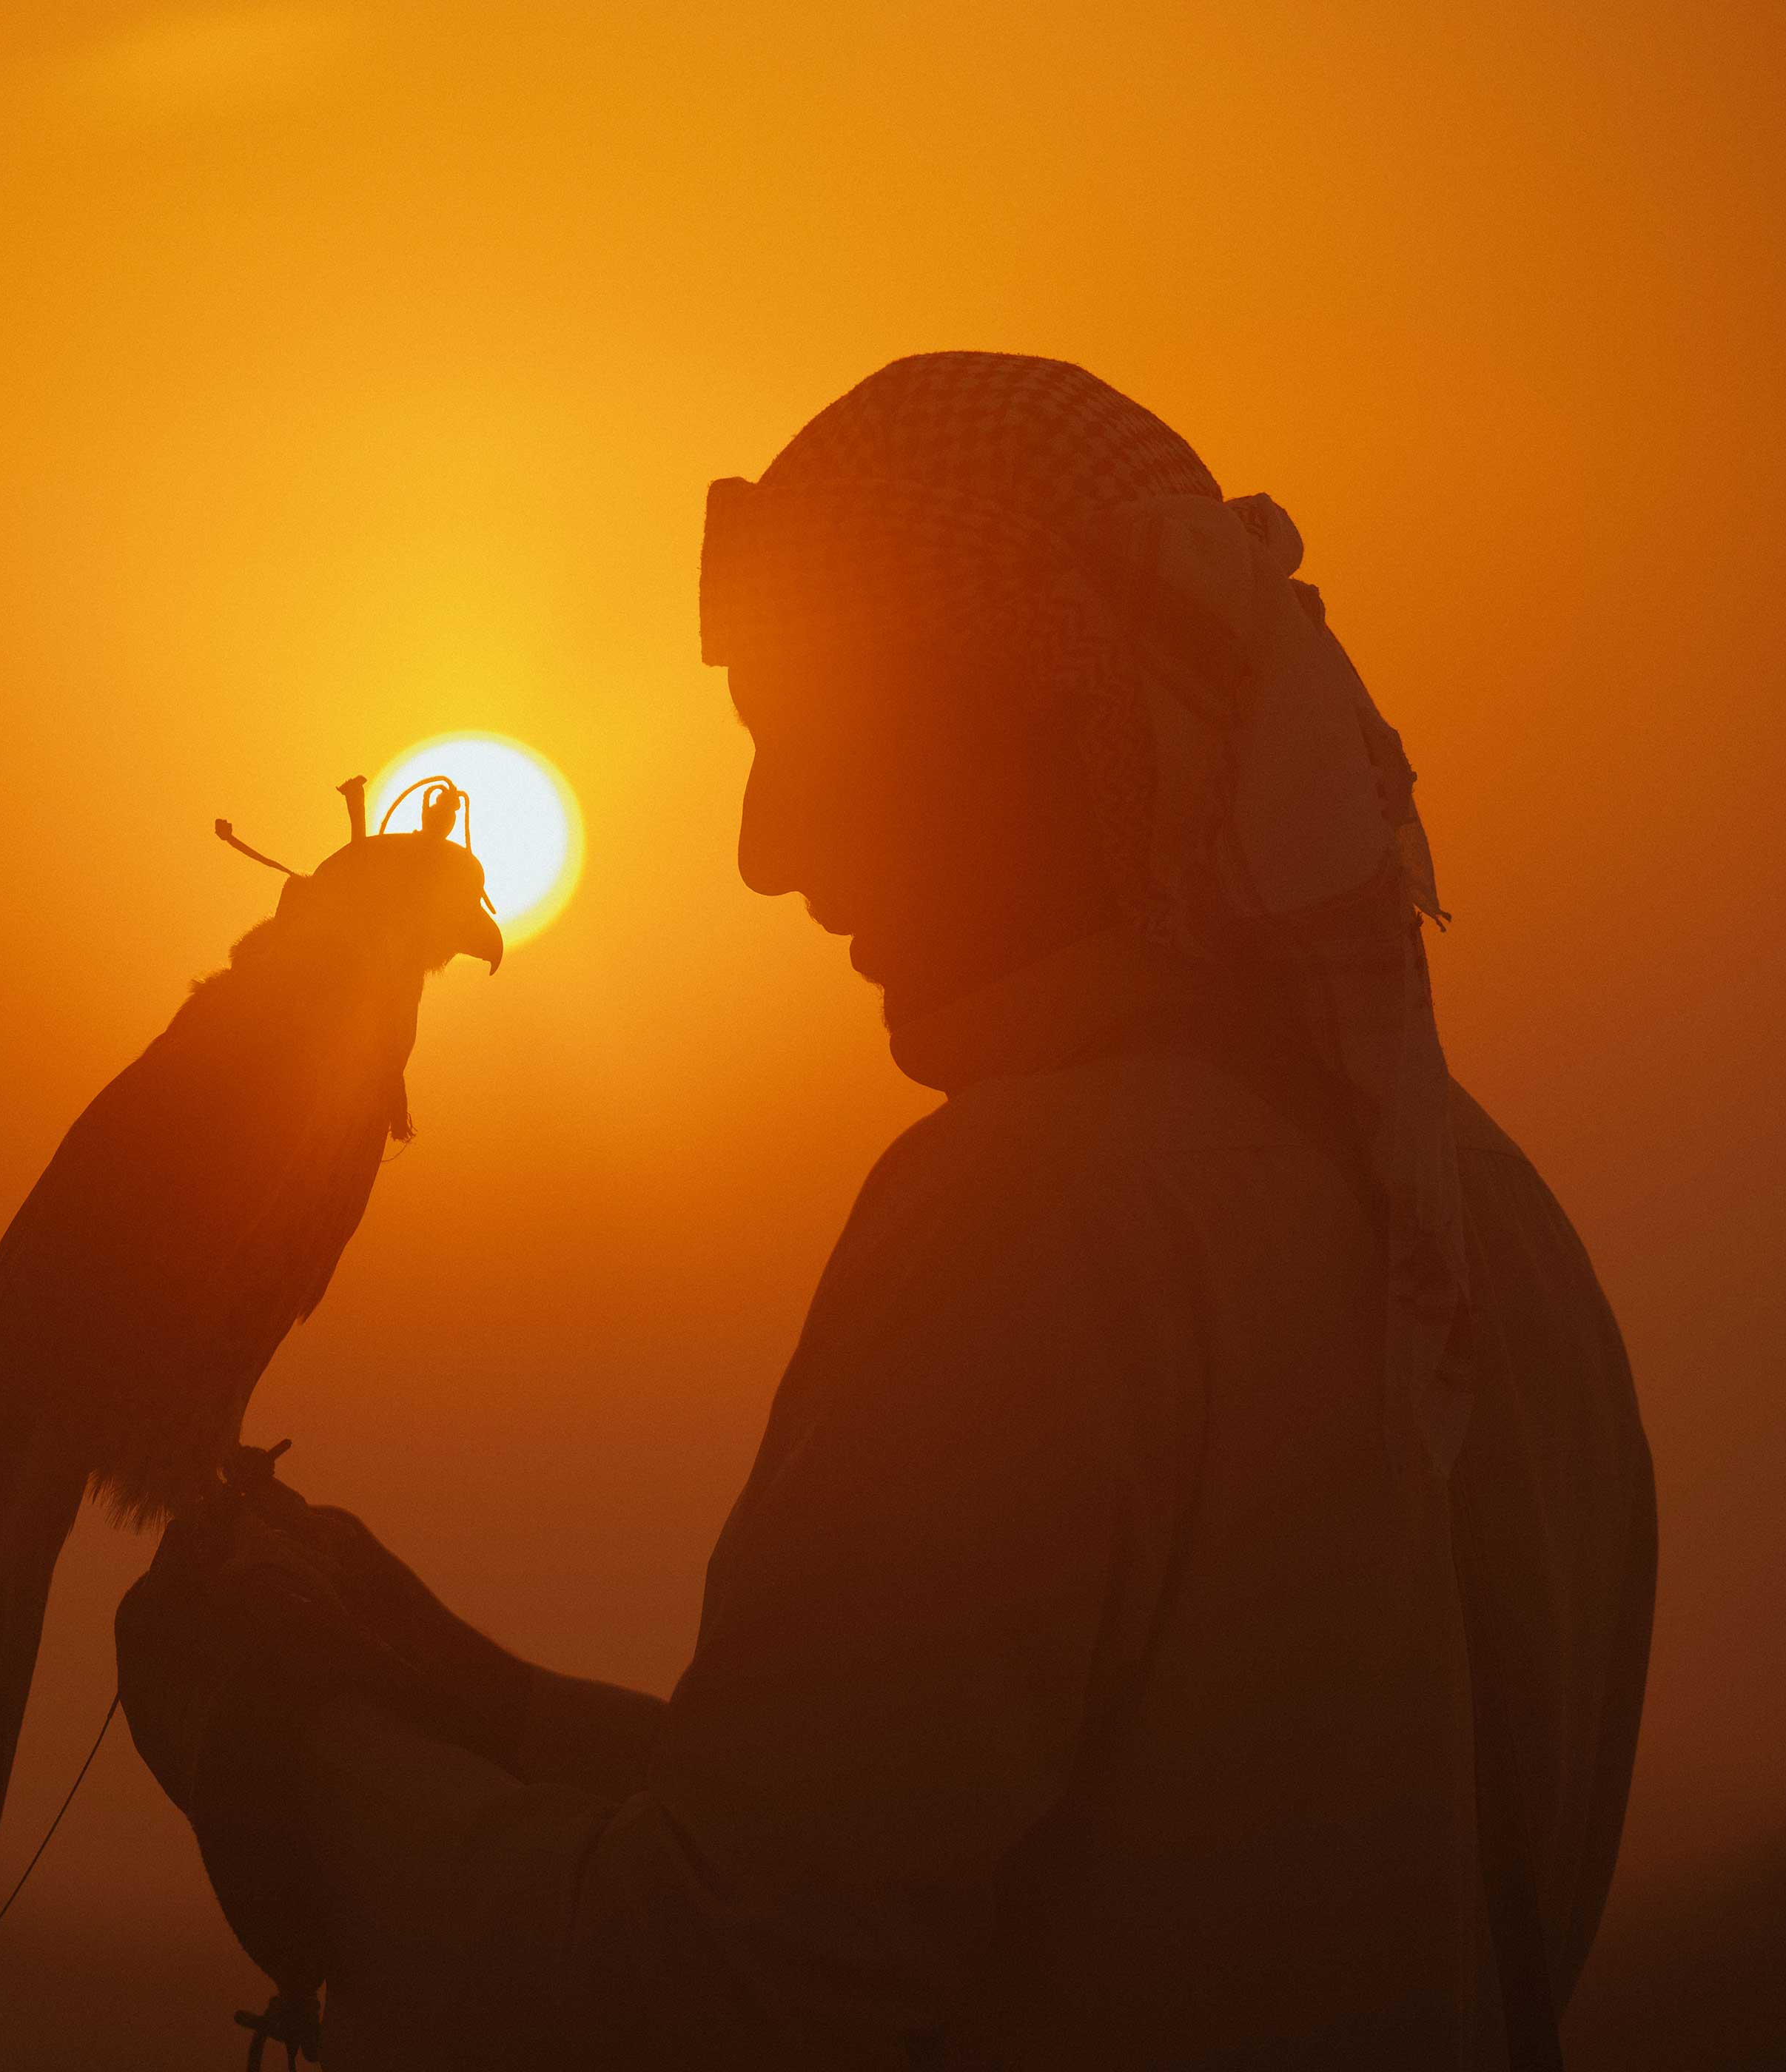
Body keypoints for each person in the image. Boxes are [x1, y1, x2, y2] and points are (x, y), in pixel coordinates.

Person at [115, 351, 1656, 2070]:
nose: (770, 849)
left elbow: (729, 1996)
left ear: (1062, 738)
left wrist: (293, 1759)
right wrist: (467, 1696)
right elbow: (1052, 1872)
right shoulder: (1482, 1221)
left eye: (817, 745)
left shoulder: (1037, 1217)